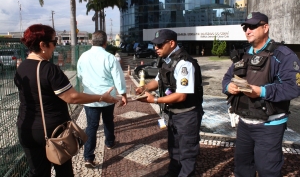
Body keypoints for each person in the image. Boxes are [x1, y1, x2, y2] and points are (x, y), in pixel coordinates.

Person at [14, 24, 119, 177]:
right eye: (54, 42)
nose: (55, 47)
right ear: (43, 45)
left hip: (26, 129)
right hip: (53, 132)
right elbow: (72, 97)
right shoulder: (49, 69)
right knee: (64, 173)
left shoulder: (21, 67)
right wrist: (101, 97)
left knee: (37, 173)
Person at [222, 12, 300, 177]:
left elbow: (293, 87)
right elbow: (227, 78)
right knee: (242, 168)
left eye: (252, 26)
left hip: (269, 124)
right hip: (244, 122)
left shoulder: (283, 55)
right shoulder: (242, 54)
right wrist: (229, 86)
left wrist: (261, 91)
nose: (247, 30)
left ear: (266, 28)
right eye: (245, 27)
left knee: (267, 170)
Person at [135, 29, 203, 177]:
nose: (155, 48)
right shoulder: (167, 60)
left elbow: (181, 96)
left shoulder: (184, 64)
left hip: (187, 114)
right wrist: (144, 88)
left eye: (159, 45)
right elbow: (158, 80)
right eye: (155, 45)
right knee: (174, 149)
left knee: (187, 153)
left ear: (171, 43)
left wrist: (154, 100)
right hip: (173, 113)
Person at [77, 30, 128, 168]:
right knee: (108, 121)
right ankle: (110, 142)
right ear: (105, 42)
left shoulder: (83, 56)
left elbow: (80, 75)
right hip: (108, 96)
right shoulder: (110, 57)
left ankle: (88, 157)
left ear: (92, 41)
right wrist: (123, 94)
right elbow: (118, 76)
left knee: (91, 127)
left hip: (90, 97)